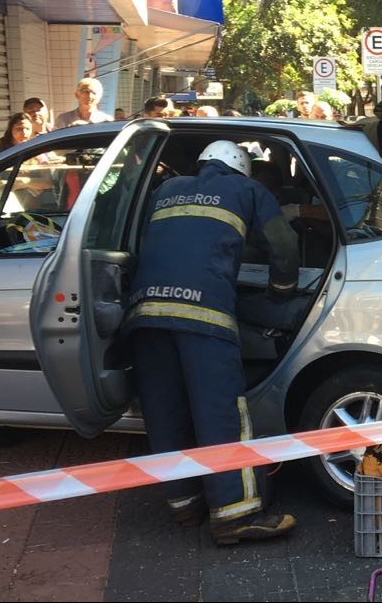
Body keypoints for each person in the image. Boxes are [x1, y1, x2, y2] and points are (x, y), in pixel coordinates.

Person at [123, 140, 299, 545]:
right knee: (220, 413)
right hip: (204, 316)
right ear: (242, 170)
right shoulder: (248, 191)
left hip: (145, 314)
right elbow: (283, 245)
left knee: (165, 411)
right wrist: (281, 290)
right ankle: (235, 516)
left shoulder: (164, 190)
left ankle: (184, 506)